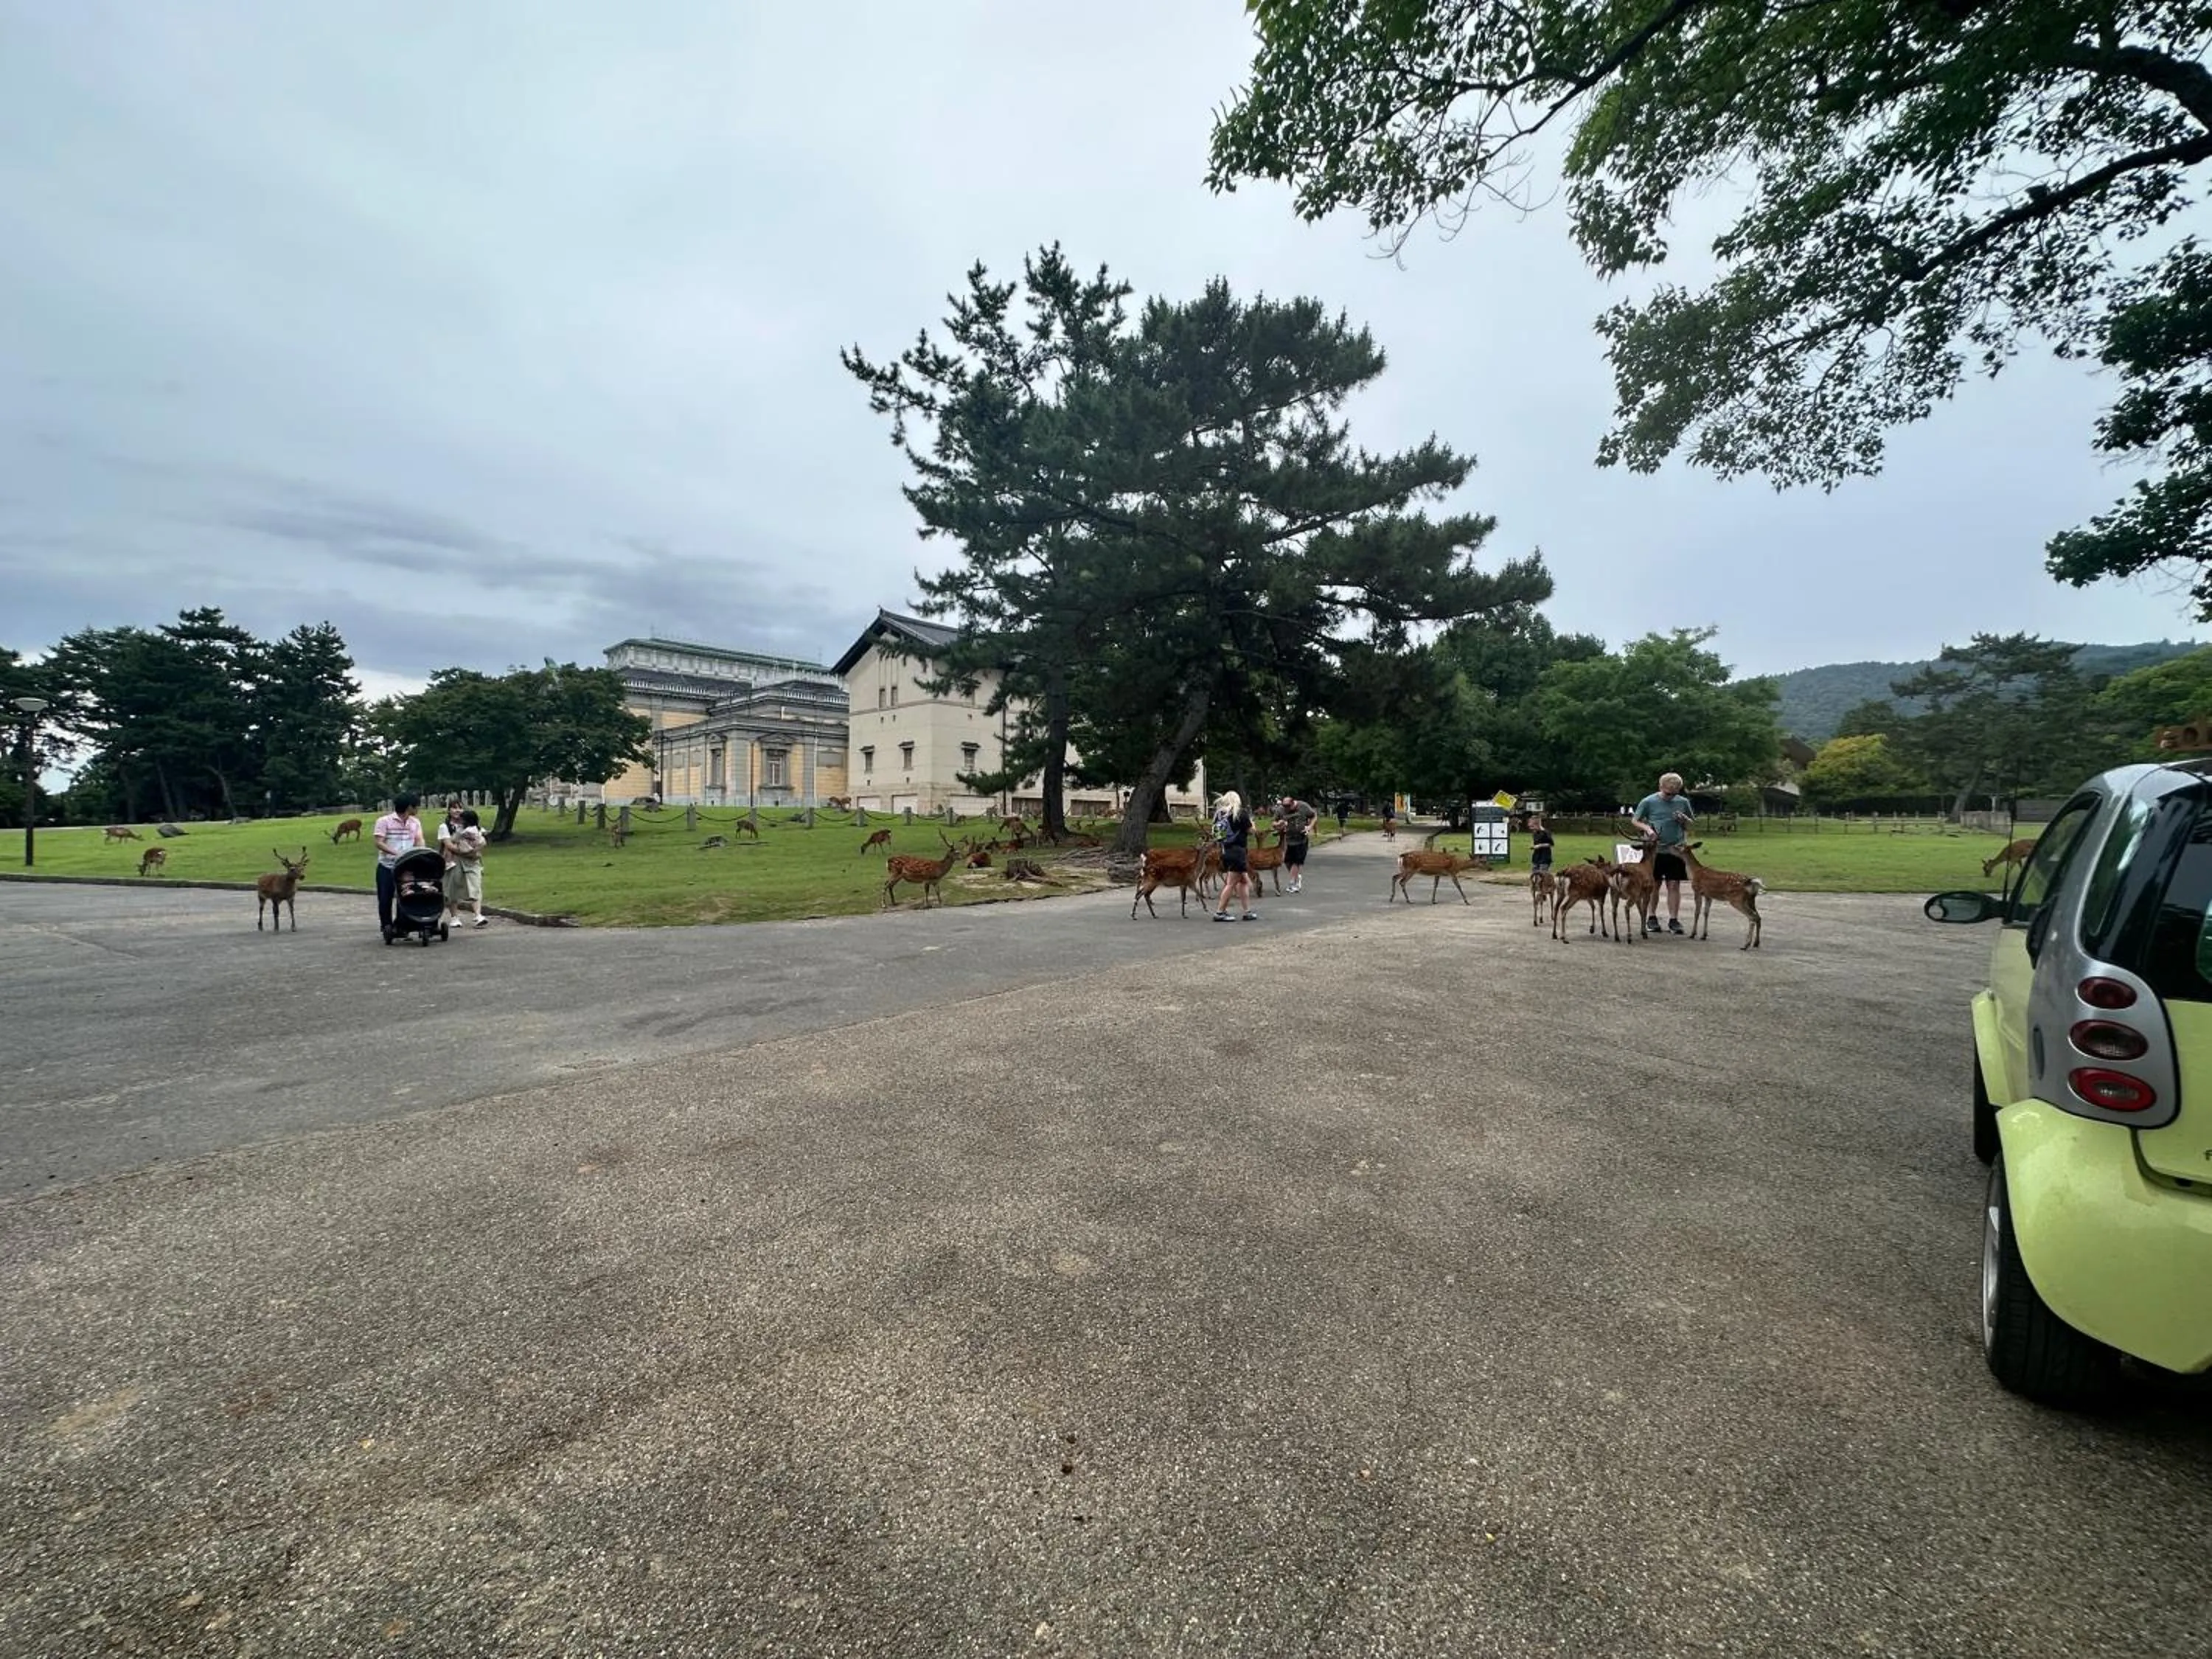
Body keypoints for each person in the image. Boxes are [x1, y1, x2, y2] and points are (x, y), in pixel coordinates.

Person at [1630, 772, 1697, 935]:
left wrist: (1684, 821)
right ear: (1660, 787)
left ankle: (1674, 920)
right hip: (1655, 851)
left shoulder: (1683, 802)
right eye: (1668, 793)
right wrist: (1648, 829)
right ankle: (1651, 918)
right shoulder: (1649, 801)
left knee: (1674, 884)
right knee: (1654, 884)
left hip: (1676, 849)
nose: (1670, 797)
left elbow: (1691, 824)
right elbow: (1635, 820)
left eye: (1674, 794)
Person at [373, 793, 426, 933]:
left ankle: (402, 925)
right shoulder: (384, 821)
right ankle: (386, 926)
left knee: (406, 895)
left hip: (406, 866)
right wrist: (396, 854)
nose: (418, 809)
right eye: (416, 806)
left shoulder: (415, 822)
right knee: (385, 898)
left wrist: (421, 852)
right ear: (409, 807)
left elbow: (419, 839)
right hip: (387, 865)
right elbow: (379, 843)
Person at [1211, 790, 1259, 922]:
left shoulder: (1219, 814)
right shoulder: (1240, 813)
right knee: (1231, 883)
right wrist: (1253, 824)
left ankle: (1247, 911)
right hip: (1238, 851)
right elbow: (1251, 831)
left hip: (1225, 850)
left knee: (1242, 881)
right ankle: (1220, 912)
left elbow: (1217, 833)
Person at [442, 807, 490, 927]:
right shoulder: (455, 829)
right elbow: (451, 843)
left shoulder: (475, 830)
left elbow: (482, 843)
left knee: (475, 886)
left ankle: (478, 915)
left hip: (472, 861)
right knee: (454, 888)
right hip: (457, 861)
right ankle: (454, 917)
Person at [1276, 795, 1319, 894]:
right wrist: (1278, 824)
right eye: (1285, 807)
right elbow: (1273, 822)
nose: (1287, 810)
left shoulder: (1303, 806)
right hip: (1288, 839)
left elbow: (1314, 816)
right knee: (1287, 861)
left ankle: (1292, 883)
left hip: (1301, 839)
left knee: (1296, 861)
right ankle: (1296, 877)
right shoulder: (1281, 810)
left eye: (1289, 807)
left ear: (1293, 803)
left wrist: (1309, 827)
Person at [1528, 813, 1554, 877]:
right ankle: (1535, 887)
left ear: (1537, 825)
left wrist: (1540, 846)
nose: (1531, 828)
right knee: (1535, 875)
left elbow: (1551, 844)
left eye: (1532, 826)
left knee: (1543, 876)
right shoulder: (1535, 833)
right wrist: (1533, 846)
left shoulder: (1546, 833)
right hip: (1536, 857)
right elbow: (1536, 842)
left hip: (1544, 857)